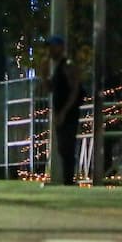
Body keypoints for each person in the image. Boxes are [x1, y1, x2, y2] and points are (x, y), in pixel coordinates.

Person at [45, 36, 84, 185]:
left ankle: (69, 180)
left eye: (53, 47)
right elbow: (51, 89)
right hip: (61, 112)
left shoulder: (67, 65)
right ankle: (67, 179)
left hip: (68, 113)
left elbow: (74, 90)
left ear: (61, 47)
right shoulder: (57, 67)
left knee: (67, 146)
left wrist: (64, 111)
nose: (50, 50)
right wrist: (43, 75)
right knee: (62, 147)